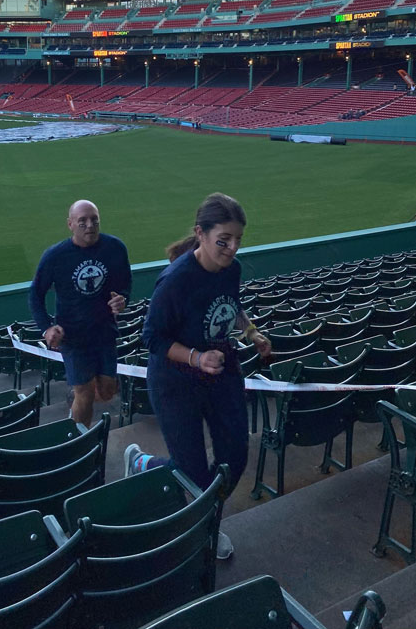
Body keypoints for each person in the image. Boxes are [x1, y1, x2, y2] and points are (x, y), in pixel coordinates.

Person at [123, 192, 271, 560]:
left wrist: (251, 331)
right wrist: (196, 356)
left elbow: (232, 306)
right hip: (175, 382)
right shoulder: (175, 281)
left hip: (221, 373)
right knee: (190, 470)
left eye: (238, 240)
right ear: (200, 235)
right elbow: (152, 338)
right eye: (224, 240)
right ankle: (197, 514)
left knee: (234, 458)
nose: (233, 248)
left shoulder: (231, 269)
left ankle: (203, 516)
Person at [29, 199, 131, 428]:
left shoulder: (115, 248)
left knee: (106, 392)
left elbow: (125, 284)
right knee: (85, 395)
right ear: (70, 224)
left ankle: (76, 391)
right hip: (73, 336)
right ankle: (78, 439)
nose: (90, 225)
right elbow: (35, 294)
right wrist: (46, 327)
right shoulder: (55, 256)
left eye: (94, 220)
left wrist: (122, 299)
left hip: (105, 332)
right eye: (82, 221)